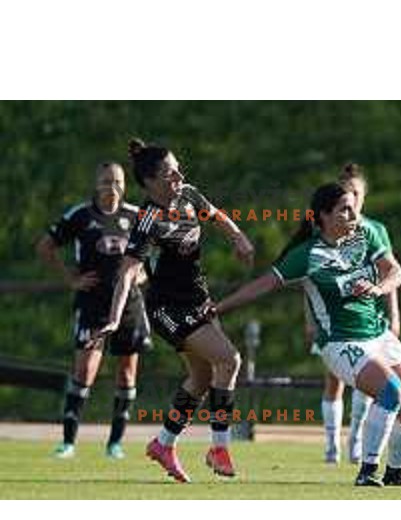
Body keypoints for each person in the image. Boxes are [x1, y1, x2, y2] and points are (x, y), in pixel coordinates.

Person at [208, 181, 401, 487]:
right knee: (391, 392)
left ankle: (395, 471)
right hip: (341, 342)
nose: (352, 215)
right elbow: (263, 285)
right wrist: (220, 307)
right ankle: (367, 471)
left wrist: (378, 288)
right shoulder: (307, 254)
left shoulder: (367, 234)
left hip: (379, 333)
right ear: (323, 215)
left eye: (353, 207)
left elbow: (396, 272)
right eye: (344, 210)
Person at [91, 138, 255, 483]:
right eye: (169, 172)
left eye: (178, 168)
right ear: (150, 182)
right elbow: (126, 274)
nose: (179, 174)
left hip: (198, 299)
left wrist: (238, 237)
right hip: (167, 308)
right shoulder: (148, 219)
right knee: (230, 360)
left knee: (202, 378)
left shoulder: (189, 195)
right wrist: (115, 318)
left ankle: (164, 444)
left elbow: (217, 215)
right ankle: (219, 447)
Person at [37, 161, 151, 459]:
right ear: (96, 184)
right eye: (105, 181)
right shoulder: (81, 215)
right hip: (93, 305)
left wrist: (143, 273)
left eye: (116, 181)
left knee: (126, 375)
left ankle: (115, 444)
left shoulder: (137, 216)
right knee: (85, 370)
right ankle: (68, 443)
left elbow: (158, 252)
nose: (110, 186)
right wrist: (71, 279)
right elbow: (45, 247)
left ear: (124, 184)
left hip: (129, 306)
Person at [305, 163, 401, 466]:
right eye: (346, 194)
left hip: (369, 321)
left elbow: (390, 273)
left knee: (374, 382)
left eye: (356, 193)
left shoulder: (375, 230)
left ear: (364, 196)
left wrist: (394, 314)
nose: (352, 199)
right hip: (334, 322)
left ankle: (357, 439)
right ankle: (332, 443)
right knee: (334, 380)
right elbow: (307, 280)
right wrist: (309, 319)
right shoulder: (327, 231)